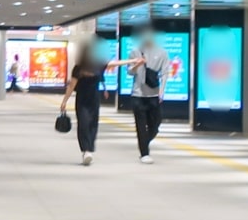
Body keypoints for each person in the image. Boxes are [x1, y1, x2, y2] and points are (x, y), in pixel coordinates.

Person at [111, 32, 167, 164]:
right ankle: (144, 153)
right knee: (141, 125)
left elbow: (165, 73)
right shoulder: (135, 52)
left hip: (154, 94)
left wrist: (162, 92)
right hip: (137, 94)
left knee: (156, 123)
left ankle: (144, 142)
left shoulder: (162, 53)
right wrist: (137, 64)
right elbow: (129, 72)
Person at [57, 41, 107, 166]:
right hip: (82, 100)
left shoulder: (98, 65)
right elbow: (71, 86)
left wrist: (132, 62)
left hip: (94, 99)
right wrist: (64, 101)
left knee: (93, 125)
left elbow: (112, 65)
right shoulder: (78, 68)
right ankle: (85, 150)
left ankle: (89, 149)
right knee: (84, 124)